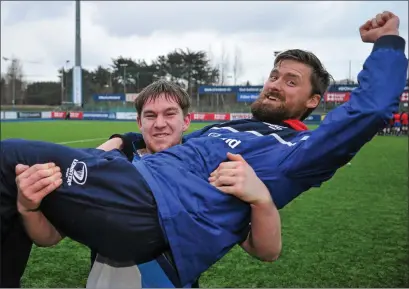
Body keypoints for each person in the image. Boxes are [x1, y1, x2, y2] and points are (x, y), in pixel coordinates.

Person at [0, 11, 407, 287]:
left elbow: (368, 110)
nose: (274, 84)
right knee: (15, 179)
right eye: (273, 75)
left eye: (291, 81)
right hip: (129, 201)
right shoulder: (229, 131)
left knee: (5, 157)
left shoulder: (300, 147)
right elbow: (50, 236)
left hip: (152, 212)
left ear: (314, 101)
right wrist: (122, 142)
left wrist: (386, 43)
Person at [6, 82, 282, 288]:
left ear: (187, 120)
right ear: (139, 122)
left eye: (169, 114)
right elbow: (50, 238)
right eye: (150, 116)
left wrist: (262, 200)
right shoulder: (112, 164)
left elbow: (265, 251)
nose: (159, 124)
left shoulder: (212, 168)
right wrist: (28, 208)